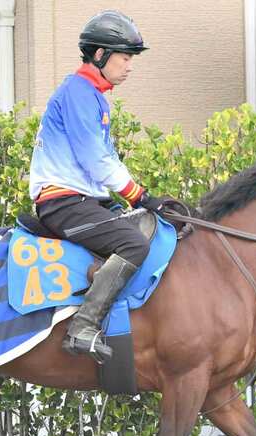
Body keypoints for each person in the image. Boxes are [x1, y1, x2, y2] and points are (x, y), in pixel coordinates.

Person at [29, 9, 164, 365]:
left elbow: (108, 159)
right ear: (101, 55)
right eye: (125, 57)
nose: (130, 66)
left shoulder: (94, 96)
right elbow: (96, 160)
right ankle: (83, 327)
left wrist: (143, 200)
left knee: (144, 226)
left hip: (83, 199)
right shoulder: (79, 93)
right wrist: (142, 196)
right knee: (132, 243)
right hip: (63, 203)